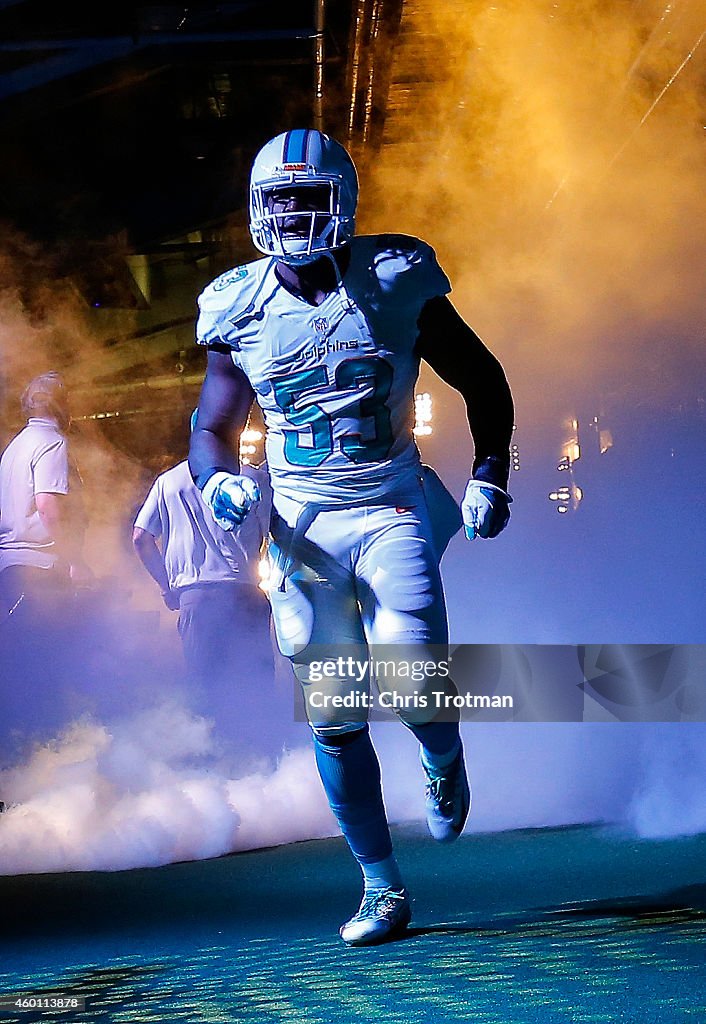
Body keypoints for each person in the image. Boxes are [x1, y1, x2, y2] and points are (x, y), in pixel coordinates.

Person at [188, 129, 514, 945]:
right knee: (333, 714)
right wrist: (216, 476)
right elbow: (211, 424)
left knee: (411, 676)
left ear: (345, 202)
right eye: (282, 199)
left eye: (310, 197)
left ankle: (441, 759)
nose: (296, 215)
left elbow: (483, 378)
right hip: (303, 528)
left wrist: (491, 472)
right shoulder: (239, 304)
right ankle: (381, 888)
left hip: (390, 504)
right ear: (259, 208)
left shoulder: (394, 279)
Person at [132, 418, 277, 752]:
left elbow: (140, 537)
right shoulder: (253, 478)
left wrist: (166, 586)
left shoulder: (168, 482)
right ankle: (262, 763)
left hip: (195, 599)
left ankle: (214, 768)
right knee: (255, 689)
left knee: (205, 690)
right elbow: (277, 534)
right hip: (245, 596)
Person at [0, 371, 90, 624]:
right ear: (61, 406)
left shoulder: (14, 447)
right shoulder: (52, 442)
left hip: (10, 569)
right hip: (40, 572)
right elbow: (47, 507)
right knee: (51, 651)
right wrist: (75, 561)